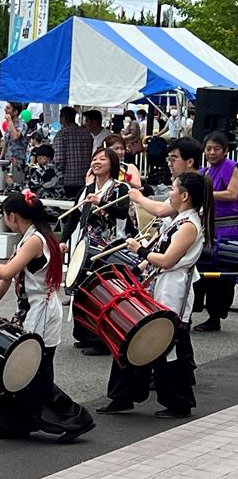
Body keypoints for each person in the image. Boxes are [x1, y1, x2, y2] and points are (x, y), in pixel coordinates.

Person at [0, 191, 95, 442]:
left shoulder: (35, 241)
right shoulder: (31, 238)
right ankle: (14, 425)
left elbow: (6, 271)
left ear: (13, 216)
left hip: (40, 312)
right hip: (31, 310)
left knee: (33, 375)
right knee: (10, 368)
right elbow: (7, 277)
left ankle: (77, 419)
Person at [98, 172, 213, 418]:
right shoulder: (178, 220)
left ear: (185, 195)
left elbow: (168, 260)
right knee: (134, 335)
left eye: (173, 189)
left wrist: (140, 250)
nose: (169, 193)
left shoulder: (189, 225)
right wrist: (137, 269)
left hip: (173, 290)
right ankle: (123, 395)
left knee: (166, 345)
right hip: (158, 284)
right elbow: (160, 250)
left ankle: (179, 402)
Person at [61, 148, 133, 356]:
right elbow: (74, 217)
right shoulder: (87, 189)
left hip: (109, 247)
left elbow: (122, 212)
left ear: (113, 164)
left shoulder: (120, 188)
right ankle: (85, 334)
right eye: (95, 158)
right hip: (86, 246)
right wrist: (63, 240)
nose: (97, 162)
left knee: (101, 291)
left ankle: (102, 339)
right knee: (82, 289)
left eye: (103, 159)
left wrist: (100, 202)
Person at [195, 131, 238, 332]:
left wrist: (206, 193)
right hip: (208, 228)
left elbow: (233, 194)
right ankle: (201, 311)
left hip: (229, 228)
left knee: (223, 274)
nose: (212, 152)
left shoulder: (233, 167)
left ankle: (215, 316)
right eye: (209, 148)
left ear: (225, 150)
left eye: (217, 149)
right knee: (204, 270)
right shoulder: (204, 171)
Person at [53, 106, 94, 199]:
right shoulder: (87, 134)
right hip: (85, 178)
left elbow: (59, 160)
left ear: (63, 118)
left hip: (67, 180)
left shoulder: (61, 134)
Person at [1, 102, 29, 181]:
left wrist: (9, 121)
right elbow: (6, 144)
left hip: (17, 163)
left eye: (8, 108)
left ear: (15, 112)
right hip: (7, 161)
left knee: (16, 184)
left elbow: (16, 136)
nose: (5, 110)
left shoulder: (22, 124)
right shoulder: (9, 125)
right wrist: (0, 159)